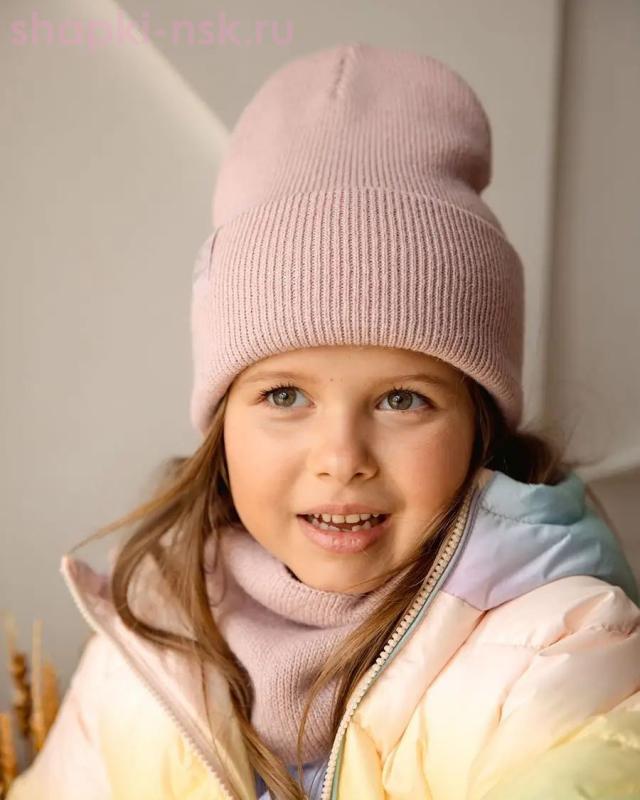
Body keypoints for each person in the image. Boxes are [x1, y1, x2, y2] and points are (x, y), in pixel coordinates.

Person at [7, 42, 640, 800]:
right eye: (284, 396)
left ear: (479, 424)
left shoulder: (557, 650)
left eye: (401, 399)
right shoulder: (148, 639)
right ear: (222, 427)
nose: (341, 457)